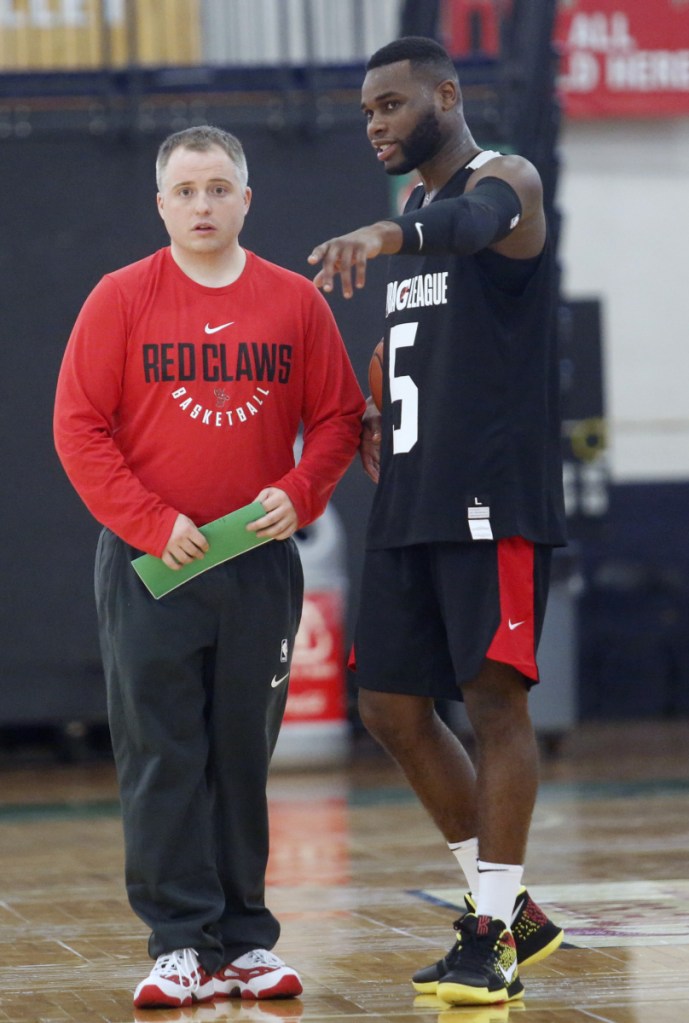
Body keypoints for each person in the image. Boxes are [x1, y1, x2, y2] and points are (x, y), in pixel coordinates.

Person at [54, 124, 365, 1010]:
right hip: (153, 566)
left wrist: (303, 491)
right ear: (160, 204)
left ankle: (244, 942)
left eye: (219, 188)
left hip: (259, 568)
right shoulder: (119, 298)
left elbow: (340, 415)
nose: (202, 205)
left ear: (246, 199)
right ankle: (176, 942)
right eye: (186, 191)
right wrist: (152, 523)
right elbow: (79, 427)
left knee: (240, 752)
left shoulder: (294, 302)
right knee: (161, 751)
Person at [308, 37, 567, 1008]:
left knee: (493, 703)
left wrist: (384, 239)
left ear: (444, 95)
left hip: (488, 495)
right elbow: (422, 321)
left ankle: (489, 935)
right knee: (386, 707)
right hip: (408, 495)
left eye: (389, 104)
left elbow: (471, 226)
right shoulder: (416, 210)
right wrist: (377, 393)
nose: (374, 123)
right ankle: (514, 918)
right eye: (366, 110)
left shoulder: (504, 181)